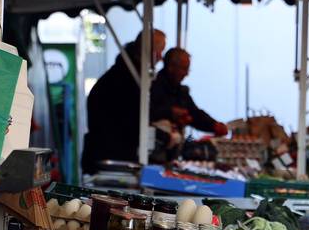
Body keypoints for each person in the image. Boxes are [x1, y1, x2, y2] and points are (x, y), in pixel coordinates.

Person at [81, 29, 166, 174]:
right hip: (110, 160)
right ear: (149, 51)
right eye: (159, 52)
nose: (160, 58)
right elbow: (132, 122)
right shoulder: (126, 80)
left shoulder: (128, 75)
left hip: (109, 156)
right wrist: (165, 136)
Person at [149, 48, 227, 138]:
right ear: (171, 67)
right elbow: (148, 112)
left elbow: (195, 114)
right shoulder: (152, 87)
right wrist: (170, 112)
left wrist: (214, 125)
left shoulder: (181, 92)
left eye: (188, 69)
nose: (186, 74)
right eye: (184, 68)